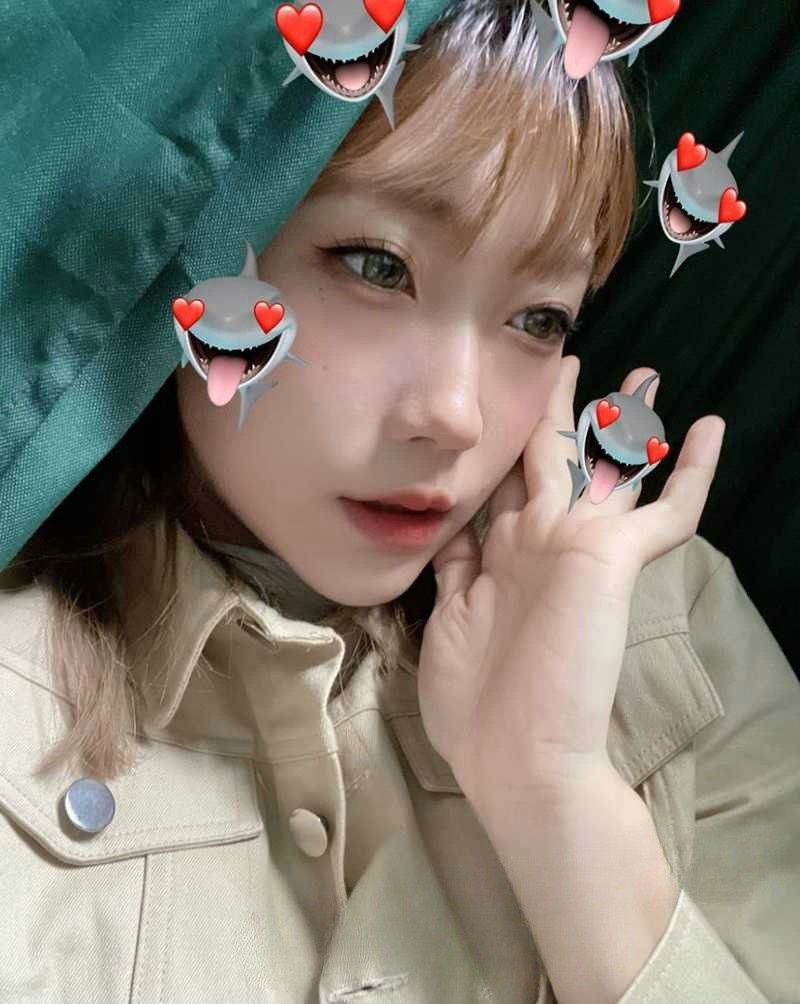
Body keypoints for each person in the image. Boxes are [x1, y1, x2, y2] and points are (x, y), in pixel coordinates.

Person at [0, 2, 797, 1002]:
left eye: (538, 317)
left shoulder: (674, 627)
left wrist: (555, 795)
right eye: (378, 267)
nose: (457, 415)